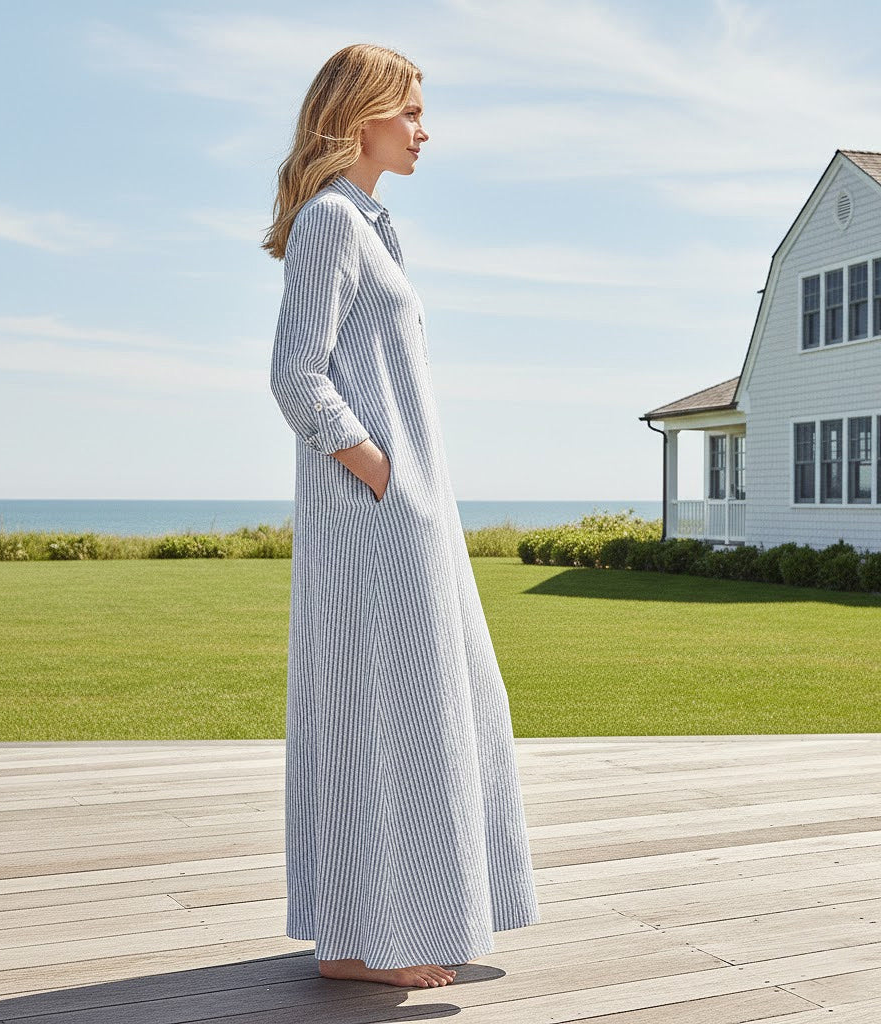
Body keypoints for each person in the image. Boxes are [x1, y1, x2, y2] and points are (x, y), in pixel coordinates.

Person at [264, 43, 541, 990]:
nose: (426, 130)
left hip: (401, 508)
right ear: (362, 113)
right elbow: (296, 375)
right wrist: (379, 470)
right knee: (391, 714)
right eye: (411, 111)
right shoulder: (333, 222)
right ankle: (381, 938)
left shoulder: (366, 224)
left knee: (383, 709)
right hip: (376, 511)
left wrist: (401, 481)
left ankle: (353, 939)